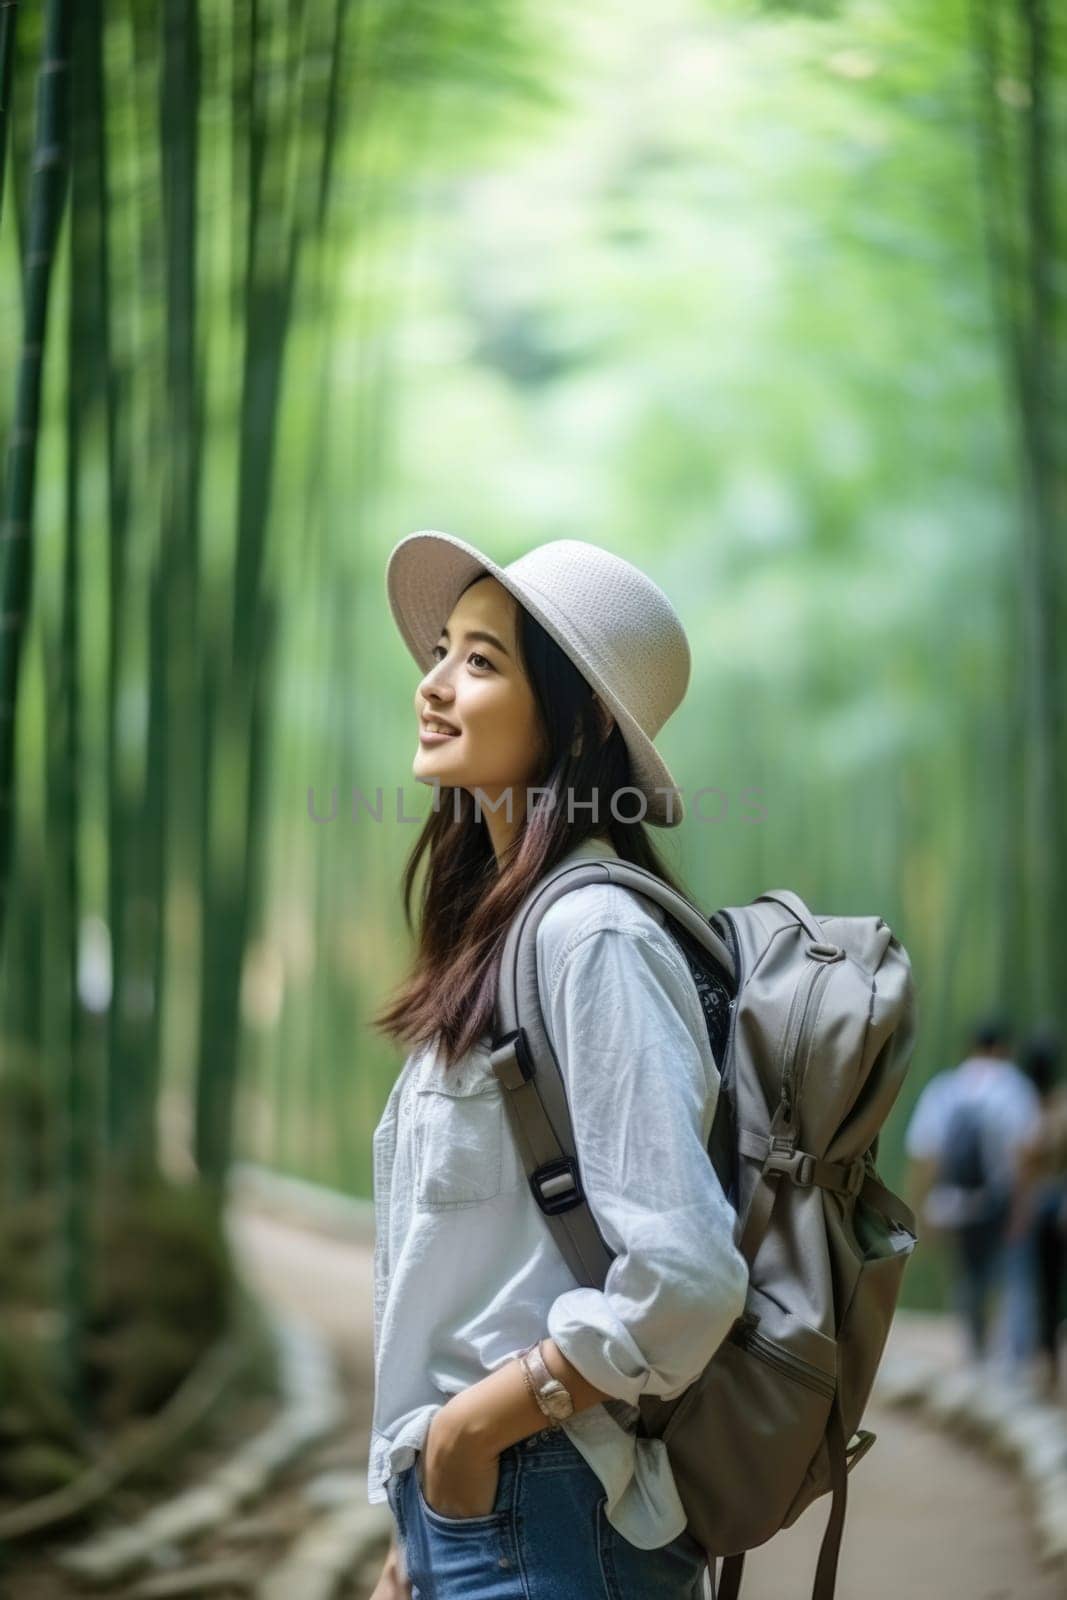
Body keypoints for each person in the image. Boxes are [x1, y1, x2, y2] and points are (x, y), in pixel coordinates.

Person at [367, 531, 749, 1600]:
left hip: (544, 1509)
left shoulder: (591, 935)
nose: (432, 685)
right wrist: (416, 1524)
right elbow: (475, 1275)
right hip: (478, 1517)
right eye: (441, 650)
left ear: (576, 718)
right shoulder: (505, 931)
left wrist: (468, 1436)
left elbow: (683, 1272)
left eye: (479, 662)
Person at [903, 1015, 1041, 1368]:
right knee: (1011, 1278)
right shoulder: (1014, 1086)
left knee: (968, 1279)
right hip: (999, 1202)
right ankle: (1011, 1365)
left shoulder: (945, 1088)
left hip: (954, 1204)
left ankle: (976, 1354)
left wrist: (918, 1210)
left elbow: (924, 1154)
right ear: (1003, 1048)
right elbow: (1024, 1153)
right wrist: (1023, 1209)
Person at [1003, 1029, 1067, 1394]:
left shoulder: (1025, 1106)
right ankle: (1049, 1364)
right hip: (1057, 1206)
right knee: (1050, 1288)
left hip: (1040, 1207)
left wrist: (1017, 1215)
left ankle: (1041, 1365)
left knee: (1037, 1287)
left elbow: (1024, 1168)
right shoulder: (1060, 1104)